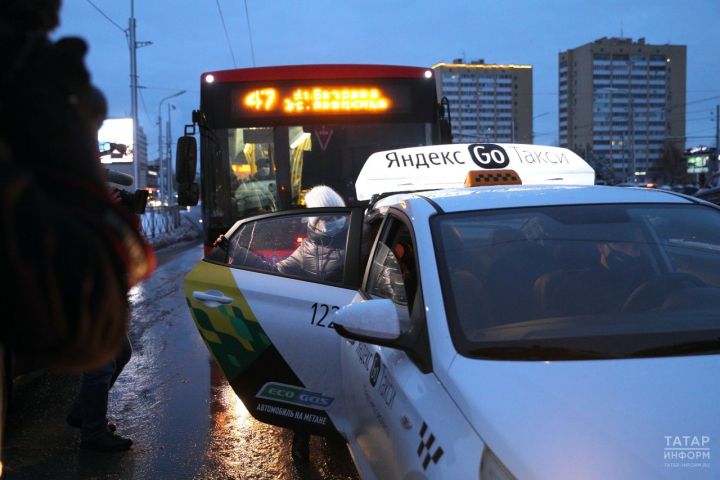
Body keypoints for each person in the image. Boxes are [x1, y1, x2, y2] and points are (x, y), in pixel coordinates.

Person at [0, 0, 155, 464]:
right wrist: (67, 133)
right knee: (102, 357)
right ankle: (90, 427)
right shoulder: (28, 85)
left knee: (116, 352)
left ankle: (82, 417)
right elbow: (81, 324)